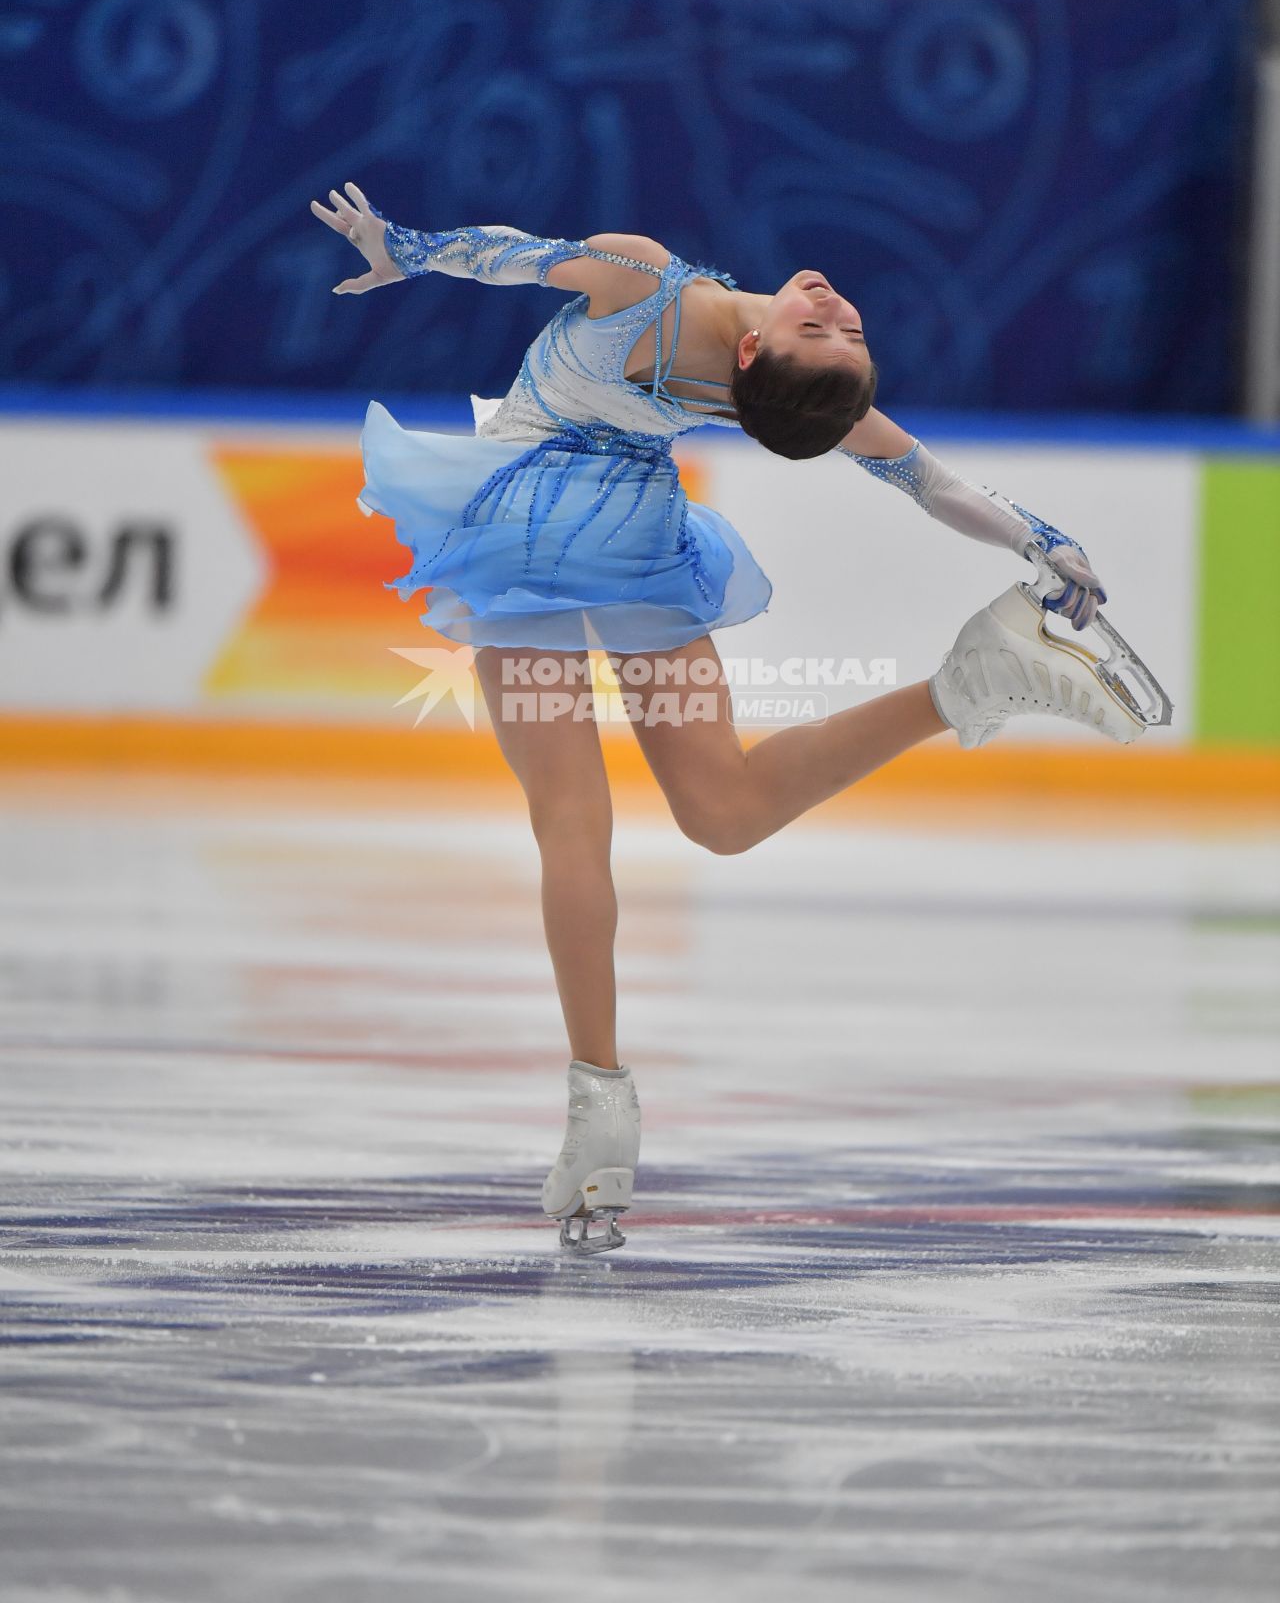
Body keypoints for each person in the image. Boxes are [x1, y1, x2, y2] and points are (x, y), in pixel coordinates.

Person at [311, 185, 1131, 1253]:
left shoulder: (644, 278)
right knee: (723, 810)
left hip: (522, 526)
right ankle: (961, 688)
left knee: (575, 816)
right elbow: (926, 484)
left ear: (750, 367)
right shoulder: (781, 380)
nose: (834, 309)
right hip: (637, 534)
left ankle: (600, 1108)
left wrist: (402, 250)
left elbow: (507, 256)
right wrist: (1038, 540)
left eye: (824, 327)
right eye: (834, 327)